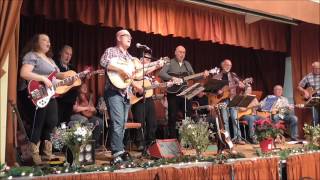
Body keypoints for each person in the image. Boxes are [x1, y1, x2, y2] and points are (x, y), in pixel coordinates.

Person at [100, 29, 143, 165]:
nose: (130, 38)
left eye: (131, 36)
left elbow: (130, 77)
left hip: (126, 93)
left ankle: (119, 150)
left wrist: (136, 85)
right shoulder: (111, 51)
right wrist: (120, 70)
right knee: (117, 122)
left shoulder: (130, 58)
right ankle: (117, 152)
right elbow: (103, 62)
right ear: (119, 38)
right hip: (113, 92)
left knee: (122, 124)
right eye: (127, 36)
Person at [20, 34, 60, 165]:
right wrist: (43, 79)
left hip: (51, 94)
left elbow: (58, 76)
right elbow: (24, 73)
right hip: (38, 93)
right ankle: (34, 154)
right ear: (36, 42)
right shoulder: (32, 55)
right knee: (39, 123)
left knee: (52, 122)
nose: (48, 42)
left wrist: (75, 76)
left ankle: (47, 153)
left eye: (49, 40)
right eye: (44, 40)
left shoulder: (50, 60)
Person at [159, 45, 209, 138]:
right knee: (172, 116)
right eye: (180, 52)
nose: (182, 54)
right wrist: (172, 78)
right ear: (175, 52)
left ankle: (188, 137)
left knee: (189, 114)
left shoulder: (187, 64)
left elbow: (194, 77)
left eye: (183, 52)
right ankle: (172, 138)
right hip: (173, 93)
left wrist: (203, 75)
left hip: (185, 93)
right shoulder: (169, 62)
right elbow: (161, 73)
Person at [131, 53, 164, 152]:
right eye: (146, 59)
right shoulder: (136, 69)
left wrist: (158, 84)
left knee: (152, 121)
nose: (148, 61)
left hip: (149, 98)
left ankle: (151, 141)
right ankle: (140, 142)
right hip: (137, 99)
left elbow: (154, 84)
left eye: (150, 60)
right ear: (140, 60)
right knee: (140, 121)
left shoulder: (150, 75)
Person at [213, 59, 246, 145]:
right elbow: (211, 88)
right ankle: (228, 140)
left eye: (230, 65)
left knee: (235, 119)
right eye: (227, 65)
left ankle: (238, 138)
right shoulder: (217, 76)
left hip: (232, 99)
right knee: (225, 120)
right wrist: (218, 91)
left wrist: (242, 84)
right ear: (222, 65)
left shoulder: (233, 75)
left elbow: (241, 84)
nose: (228, 67)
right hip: (222, 100)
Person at [68, 83, 104, 148]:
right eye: (83, 87)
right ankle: (85, 143)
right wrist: (87, 108)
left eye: (86, 87)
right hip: (75, 115)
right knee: (84, 120)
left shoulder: (88, 97)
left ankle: (94, 143)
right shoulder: (76, 96)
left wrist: (94, 110)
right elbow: (75, 109)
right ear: (79, 88)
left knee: (100, 122)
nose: (85, 88)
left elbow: (94, 111)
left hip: (87, 116)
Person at [56, 45, 78, 125]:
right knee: (56, 122)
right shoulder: (55, 65)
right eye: (66, 53)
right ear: (61, 53)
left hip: (69, 101)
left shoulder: (73, 68)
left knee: (65, 124)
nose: (68, 57)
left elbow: (76, 84)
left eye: (70, 55)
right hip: (58, 100)